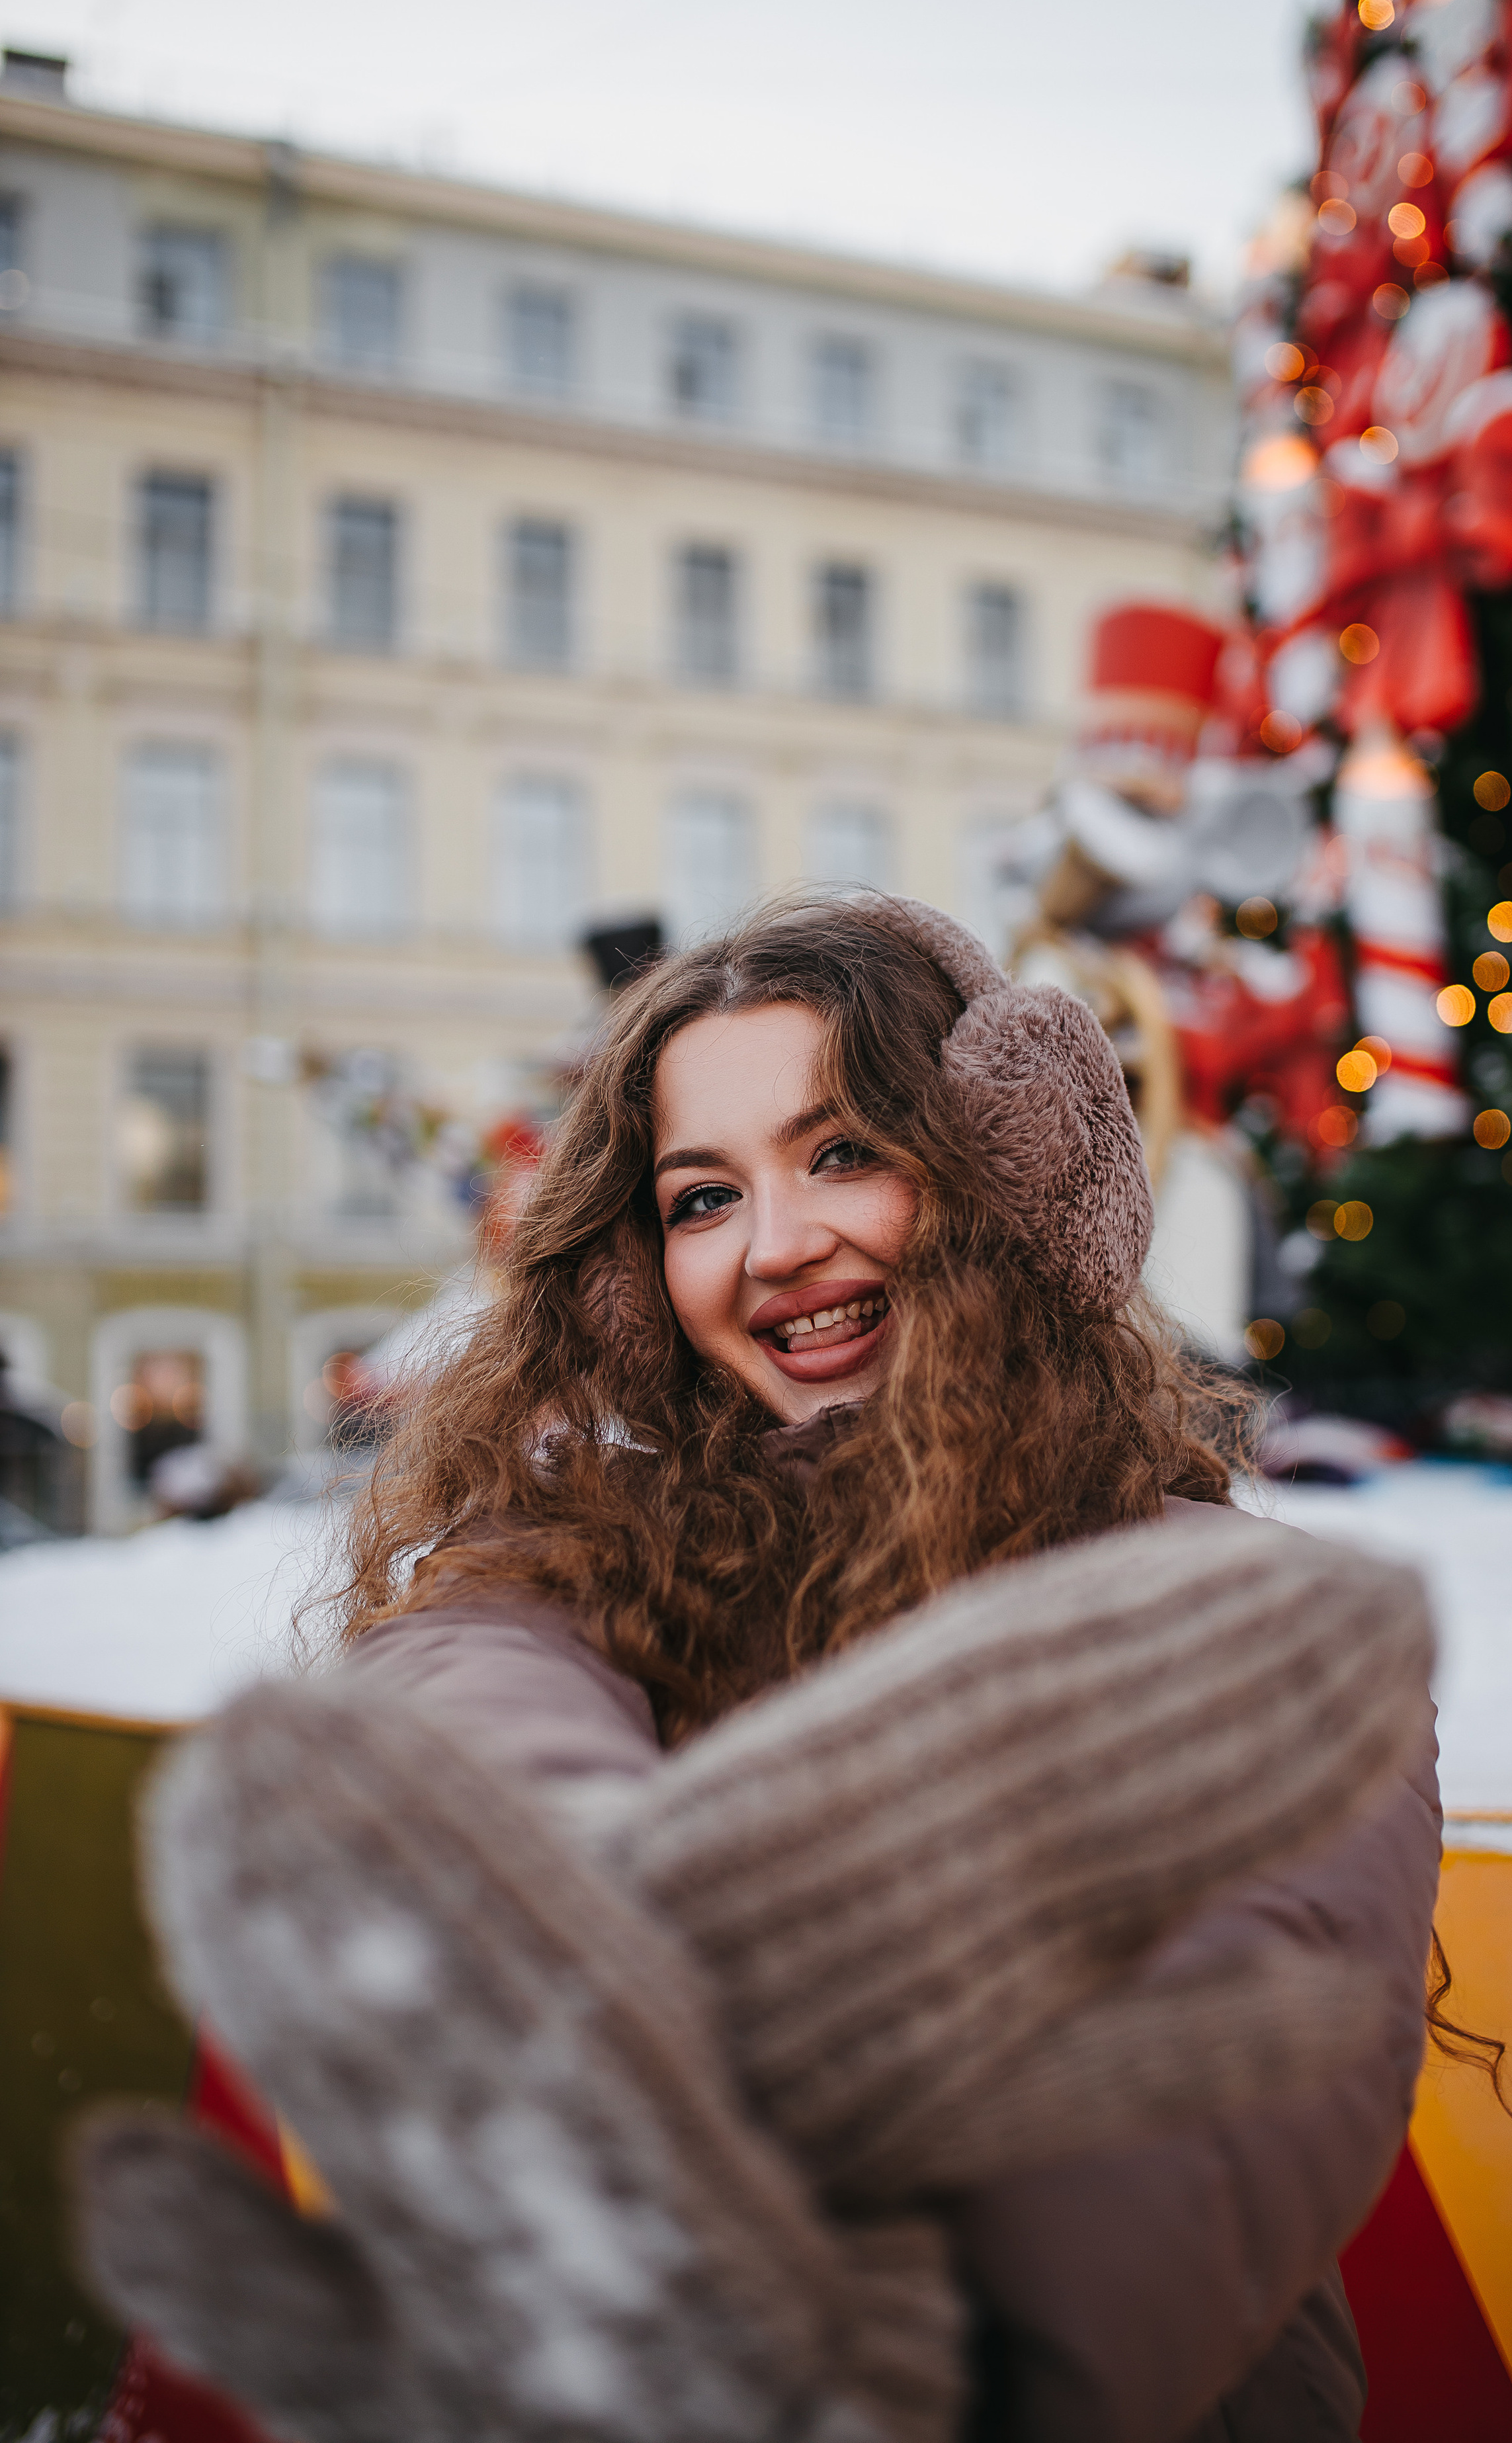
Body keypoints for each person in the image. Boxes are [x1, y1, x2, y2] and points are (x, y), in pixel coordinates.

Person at [84, 893, 1441, 2443]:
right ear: (632, 1273)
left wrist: (905, 2353)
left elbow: (1233, 2099)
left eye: (844, 1153)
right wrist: (586, 1950)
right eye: (702, 1199)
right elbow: (475, 1702)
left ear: (1011, 1170)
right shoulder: (593, 1561)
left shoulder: (1238, 1617)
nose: (778, 1246)